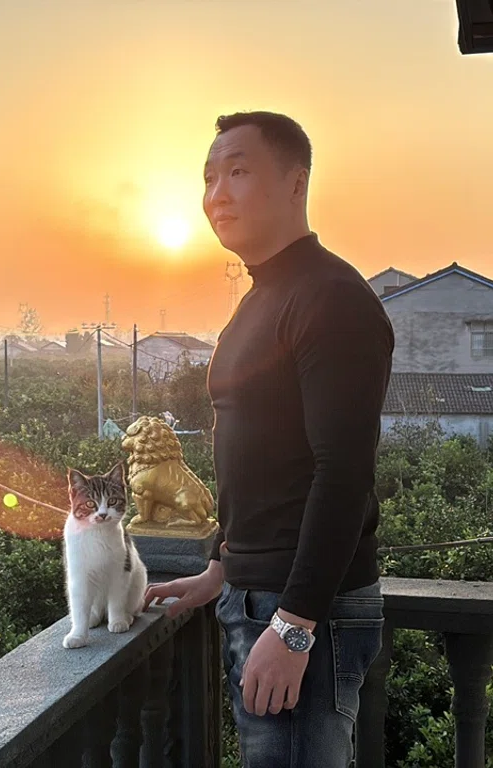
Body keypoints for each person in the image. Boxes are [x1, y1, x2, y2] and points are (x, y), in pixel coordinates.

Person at [143, 111, 395, 767]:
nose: (217, 193)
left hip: (302, 610)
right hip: (260, 596)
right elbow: (263, 461)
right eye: (208, 177)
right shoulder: (262, 297)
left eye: (238, 170)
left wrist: (296, 624)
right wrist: (224, 568)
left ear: (295, 181)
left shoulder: (329, 297)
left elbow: (341, 475)